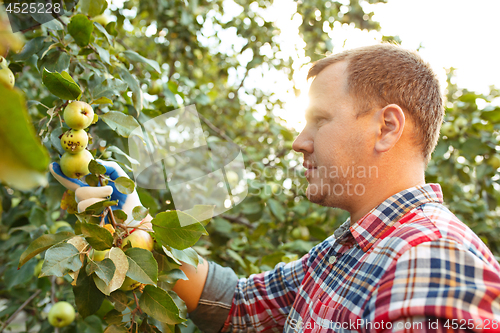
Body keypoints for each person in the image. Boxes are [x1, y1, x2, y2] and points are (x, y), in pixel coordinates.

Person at [50, 43, 500, 332]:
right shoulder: (345, 250)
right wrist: (132, 221)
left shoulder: (433, 256)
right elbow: (238, 304)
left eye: (320, 120)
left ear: (386, 127)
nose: (299, 142)